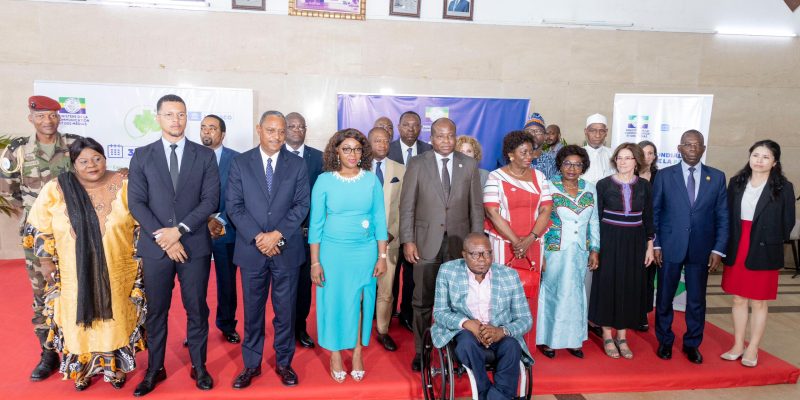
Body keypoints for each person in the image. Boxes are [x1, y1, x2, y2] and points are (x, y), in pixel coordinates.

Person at [26, 138, 144, 390]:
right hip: (72, 272)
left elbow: (142, 223)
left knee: (116, 320)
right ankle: (82, 369)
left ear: (105, 159)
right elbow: (39, 226)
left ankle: (115, 368)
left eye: (97, 159)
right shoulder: (56, 188)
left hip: (117, 269)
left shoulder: (124, 185)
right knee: (75, 319)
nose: (92, 165)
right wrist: (45, 259)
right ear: (73, 164)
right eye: (84, 161)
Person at [128, 94, 220, 396]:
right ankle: (155, 368)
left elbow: (210, 200)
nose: (175, 120)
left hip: (193, 244)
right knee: (157, 311)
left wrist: (178, 231)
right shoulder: (142, 155)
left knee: (197, 308)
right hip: (156, 248)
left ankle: (199, 365)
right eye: (169, 114)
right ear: (158, 118)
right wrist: (164, 238)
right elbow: (136, 203)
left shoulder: (204, 156)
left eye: (181, 114)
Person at [226, 111, 310, 389]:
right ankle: (251, 364)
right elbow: (234, 206)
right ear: (259, 129)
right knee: (253, 312)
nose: (277, 136)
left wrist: (277, 236)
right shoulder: (240, 163)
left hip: (287, 250)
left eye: (281, 131)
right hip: (252, 250)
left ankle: (284, 363)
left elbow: (301, 205)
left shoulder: (297, 165)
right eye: (271, 130)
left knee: (285, 312)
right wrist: (259, 237)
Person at [0, 96, 81, 381]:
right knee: (41, 293)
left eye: (53, 115)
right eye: (41, 116)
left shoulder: (74, 145)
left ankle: (77, 349)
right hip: (36, 238)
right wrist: (36, 218)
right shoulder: (18, 150)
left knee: (76, 290)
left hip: (73, 234)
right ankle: (48, 353)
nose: (48, 121)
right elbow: (9, 192)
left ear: (59, 118)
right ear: (31, 119)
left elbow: (91, 179)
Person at [399, 117, 484, 372]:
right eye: (440, 136)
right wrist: (408, 240)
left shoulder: (468, 164)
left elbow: (476, 208)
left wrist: (476, 245)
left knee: (458, 301)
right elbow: (407, 206)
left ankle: (457, 352)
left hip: (459, 244)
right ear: (431, 138)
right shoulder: (417, 163)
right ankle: (421, 351)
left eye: (450, 135)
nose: (446, 141)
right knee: (422, 300)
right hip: (425, 243)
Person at [309, 128, 388, 382]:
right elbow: (316, 224)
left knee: (360, 303)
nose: (352, 154)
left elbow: (380, 219)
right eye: (346, 149)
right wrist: (315, 262)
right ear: (336, 152)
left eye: (357, 149)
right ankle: (334, 353)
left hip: (365, 252)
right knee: (333, 302)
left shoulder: (371, 180)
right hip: (332, 253)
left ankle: (356, 353)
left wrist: (382, 256)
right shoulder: (324, 180)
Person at [652, 129, 729, 364]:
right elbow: (654, 213)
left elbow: (723, 216)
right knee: (664, 298)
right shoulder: (664, 176)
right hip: (670, 246)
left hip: (701, 249)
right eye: (688, 144)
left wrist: (718, 249)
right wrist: (656, 244)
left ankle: (692, 344)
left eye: (697, 144)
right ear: (679, 148)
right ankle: (665, 341)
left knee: (696, 301)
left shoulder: (717, 177)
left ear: (703, 148)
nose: (692, 148)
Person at [720, 140, 795, 368]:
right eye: (755, 155)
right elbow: (726, 214)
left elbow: (788, 221)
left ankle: (752, 347)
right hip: (738, 243)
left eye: (765, 157)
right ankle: (737, 345)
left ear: (775, 162)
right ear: (749, 157)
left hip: (764, 247)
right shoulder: (736, 182)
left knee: (759, 301)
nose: (759, 161)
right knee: (738, 298)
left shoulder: (783, 187)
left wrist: (771, 240)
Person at [431, 233, 532, 400]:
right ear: (464, 254)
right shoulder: (448, 271)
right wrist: (467, 323)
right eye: (475, 254)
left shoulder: (509, 275)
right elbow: (440, 312)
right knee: (466, 343)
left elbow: (525, 319)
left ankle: (494, 396)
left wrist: (502, 331)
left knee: (512, 346)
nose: (482, 259)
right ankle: (491, 394)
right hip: (465, 333)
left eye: (487, 253)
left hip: (498, 332)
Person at [484, 130, 552, 351]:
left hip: (533, 244)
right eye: (523, 152)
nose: (529, 156)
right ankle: (501, 347)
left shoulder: (540, 177)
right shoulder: (495, 177)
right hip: (503, 245)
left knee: (529, 292)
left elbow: (546, 210)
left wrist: (530, 239)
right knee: (502, 294)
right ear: (511, 154)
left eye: (531, 152)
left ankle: (526, 348)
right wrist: (516, 241)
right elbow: (492, 212)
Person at [589, 143, 655, 360]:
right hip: (609, 240)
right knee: (607, 285)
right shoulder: (603, 185)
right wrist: (595, 247)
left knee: (629, 286)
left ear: (636, 161)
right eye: (619, 158)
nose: (623, 162)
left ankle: (623, 336)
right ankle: (608, 335)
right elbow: (596, 219)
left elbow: (648, 218)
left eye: (628, 158)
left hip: (635, 241)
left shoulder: (644, 186)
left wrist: (649, 247)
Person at [536, 145, 599, 359]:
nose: (572, 169)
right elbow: (539, 220)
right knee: (553, 292)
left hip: (580, 251)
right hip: (554, 250)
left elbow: (594, 221)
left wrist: (595, 249)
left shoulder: (590, 188)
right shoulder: (548, 187)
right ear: (560, 165)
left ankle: (573, 339)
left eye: (577, 164)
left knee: (575, 294)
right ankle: (549, 340)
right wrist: (540, 252)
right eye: (567, 164)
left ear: (584, 167)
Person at [387, 112, 432, 333]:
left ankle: (407, 314)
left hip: (418, 223)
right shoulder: (387, 149)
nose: (411, 129)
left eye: (415, 125)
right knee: (390, 273)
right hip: (391, 222)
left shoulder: (429, 151)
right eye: (406, 125)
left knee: (413, 274)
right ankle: (386, 312)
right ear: (399, 127)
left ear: (420, 128)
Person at [200, 114, 241, 345]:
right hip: (196, 231)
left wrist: (220, 220)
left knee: (227, 283)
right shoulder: (191, 157)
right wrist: (204, 220)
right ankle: (197, 329)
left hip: (227, 230)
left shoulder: (237, 160)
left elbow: (241, 196)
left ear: (222, 134)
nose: (207, 132)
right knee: (196, 285)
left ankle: (227, 324)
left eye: (212, 128)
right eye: (203, 127)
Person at [285, 111, 324, 349]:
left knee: (303, 286)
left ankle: (300, 327)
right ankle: (284, 328)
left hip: (308, 234)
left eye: (301, 126)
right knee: (282, 286)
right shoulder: (274, 156)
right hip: (279, 234)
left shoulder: (319, 158)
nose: (297, 130)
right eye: (292, 126)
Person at [369, 127, 405, 352]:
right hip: (361, 242)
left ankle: (383, 330)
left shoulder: (400, 169)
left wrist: (393, 232)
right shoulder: (357, 168)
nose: (382, 145)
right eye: (377, 141)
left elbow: (405, 206)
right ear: (368, 143)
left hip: (390, 240)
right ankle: (357, 330)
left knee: (386, 290)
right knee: (361, 289)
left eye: (385, 141)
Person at [581, 113, 614, 338]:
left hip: (606, 221)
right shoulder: (577, 155)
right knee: (583, 272)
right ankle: (580, 317)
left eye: (602, 130)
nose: (597, 134)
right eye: (593, 130)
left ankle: (595, 317)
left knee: (601, 270)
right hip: (580, 220)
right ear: (586, 132)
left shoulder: (613, 155)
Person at [636, 140, 659, 332]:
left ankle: (642, 313)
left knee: (648, 275)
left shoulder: (661, 177)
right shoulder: (630, 175)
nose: (647, 157)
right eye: (643, 153)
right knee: (633, 274)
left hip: (654, 232)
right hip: (633, 231)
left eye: (651, 153)